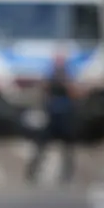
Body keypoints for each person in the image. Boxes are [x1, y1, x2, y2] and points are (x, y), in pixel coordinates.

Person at [25, 52, 77, 184]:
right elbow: (44, 91)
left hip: (64, 117)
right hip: (52, 116)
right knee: (41, 147)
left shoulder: (68, 76)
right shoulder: (50, 76)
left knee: (67, 149)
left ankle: (66, 175)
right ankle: (32, 173)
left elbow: (74, 92)